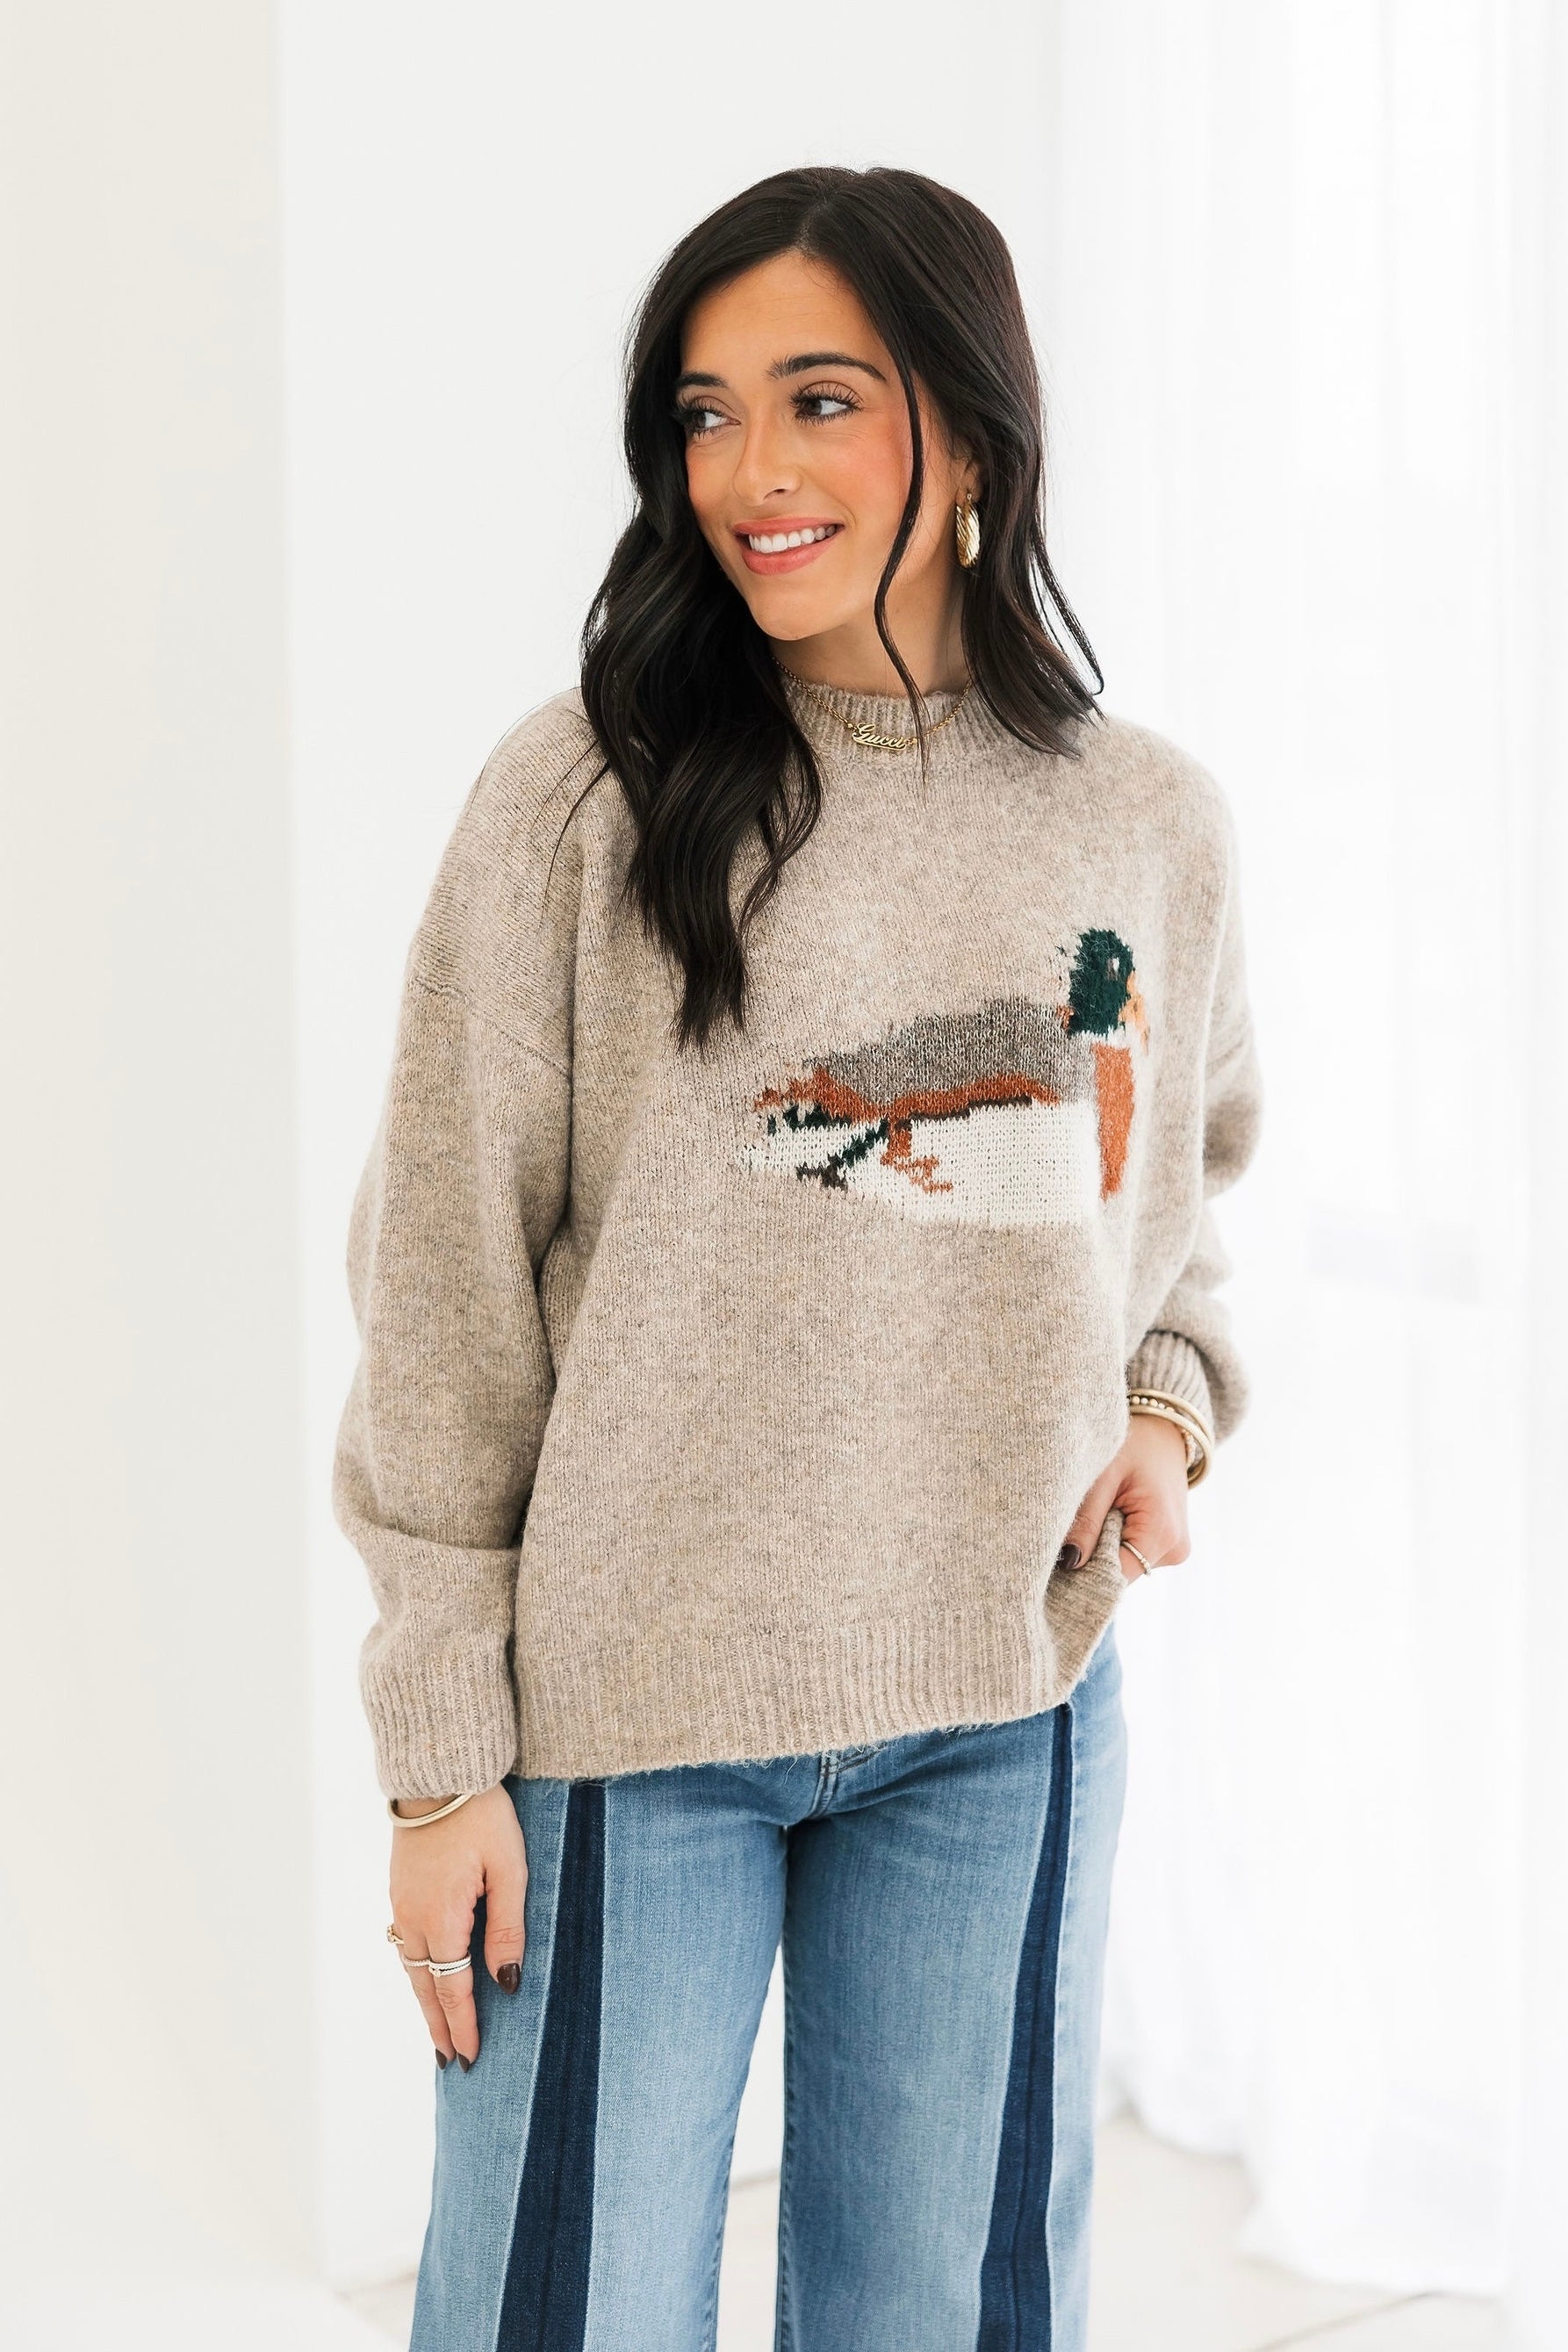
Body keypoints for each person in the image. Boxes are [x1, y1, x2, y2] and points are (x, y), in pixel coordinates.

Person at [333, 162, 1262, 2352]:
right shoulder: (581, 799)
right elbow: (447, 1278)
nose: (750, 470)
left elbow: (1170, 1200)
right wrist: (440, 1752)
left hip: (1003, 1702)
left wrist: (1162, 1409)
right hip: (623, 1725)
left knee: (946, 2317)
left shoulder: (1143, 817)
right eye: (704, 411)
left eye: (819, 400)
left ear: (969, 426)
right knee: (561, 2314)